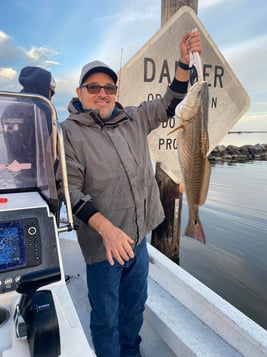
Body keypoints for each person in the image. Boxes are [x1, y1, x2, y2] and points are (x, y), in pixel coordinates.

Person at [57, 31, 202, 357]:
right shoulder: (68, 133)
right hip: (103, 249)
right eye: (93, 87)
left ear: (115, 92)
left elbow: (171, 101)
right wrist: (106, 230)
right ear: (80, 92)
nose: (102, 93)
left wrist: (183, 61)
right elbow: (70, 191)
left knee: (134, 309)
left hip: (137, 241)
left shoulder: (133, 118)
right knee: (106, 318)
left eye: (108, 87)